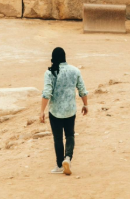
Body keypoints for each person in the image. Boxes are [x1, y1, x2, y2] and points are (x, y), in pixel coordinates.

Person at [39, 47, 87, 176]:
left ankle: (60, 165)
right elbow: (82, 89)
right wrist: (85, 105)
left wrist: (42, 111)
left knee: (58, 138)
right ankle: (68, 158)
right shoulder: (75, 70)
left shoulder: (50, 73)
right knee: (70, 135)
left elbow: (47, 93)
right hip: (70, 110)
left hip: (55, 111)